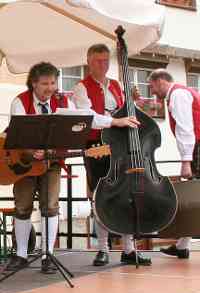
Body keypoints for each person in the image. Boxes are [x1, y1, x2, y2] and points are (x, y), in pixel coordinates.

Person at [5, 62, 140, 274]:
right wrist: (31, 151)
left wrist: (116, 122)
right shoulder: (19, 102)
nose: (50, 88)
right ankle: (21, 254)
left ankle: (47, 255)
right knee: (22, 207)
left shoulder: (63, 100)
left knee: (50, 207)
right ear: (33, 83)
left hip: (52, 162)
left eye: (52, 82)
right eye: (44, 84)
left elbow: (87, 118)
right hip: (24, 164)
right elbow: (18, 133)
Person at [72, 43, 152, 267]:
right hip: (96, 146)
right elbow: (89, 117)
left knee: (126, 195)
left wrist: (131, 103)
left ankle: (128, 249)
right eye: (99, 60)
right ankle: (103, 249)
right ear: (89, 61)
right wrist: (116, 121)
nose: (104, 64)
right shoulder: (81, 87)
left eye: (107, 60)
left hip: (120, 146)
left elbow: (123, 113)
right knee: (101, 196)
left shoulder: (116, 85)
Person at [148, 68, 200, 259]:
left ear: (161, 81)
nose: (152, 91)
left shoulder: (177, 95)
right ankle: (182, 245)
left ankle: (181, 245)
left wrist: (186, 161)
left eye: (152, 86)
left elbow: (186, 129)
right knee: (196, 197)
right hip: (196, 146)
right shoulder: (179, 93)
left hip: (197, 147)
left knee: (197, 196)